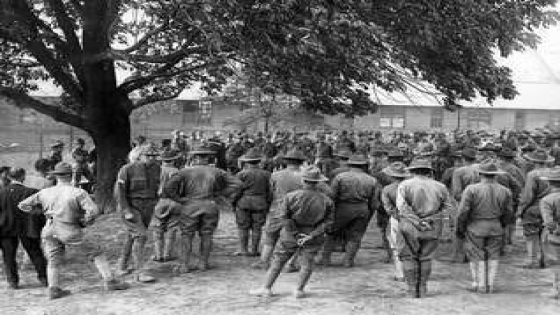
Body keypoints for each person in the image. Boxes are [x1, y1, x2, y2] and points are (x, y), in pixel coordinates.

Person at [18, 162, 128, 299]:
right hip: (69, 228)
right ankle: (110, 281)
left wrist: (38, 212)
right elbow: (93, 211)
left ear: (56, 176)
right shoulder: (78, 192)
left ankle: (53, 289)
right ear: (71, 176)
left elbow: (22, 205)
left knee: (53, 260)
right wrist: (86, 220)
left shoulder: (45, 192)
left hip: (49, 229)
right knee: (96, 252)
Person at [249, 166, 334, 298]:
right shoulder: (326, 200)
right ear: (318, 182)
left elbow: (283, 217)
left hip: (290, 233)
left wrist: (295, 233)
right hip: (313, 235)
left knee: (278, 261)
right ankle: (299, 290)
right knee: (307, 263)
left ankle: (266, 288)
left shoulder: (290, 197)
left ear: (303, 181)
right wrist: (312, 235)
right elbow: (328, 222)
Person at [161, 143, 241, 273]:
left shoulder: (185, 171)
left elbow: (168, 187)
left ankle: (184, 264)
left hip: (190, 205)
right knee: (207, 234)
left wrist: (179, 199)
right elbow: (237, 183)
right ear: (208, 158)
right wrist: (221, 193)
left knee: (186, 234)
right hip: (210, 204)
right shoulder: (217, 171)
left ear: (194, 158)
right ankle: (203, 263)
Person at [397, 158, 455, 298]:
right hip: (432, 227)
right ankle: (423, 288)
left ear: (412, 171)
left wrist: (417, 221)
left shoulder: (404, 185)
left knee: (408, 257)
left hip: (409, 226)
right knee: (426, 258)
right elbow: (448, 208)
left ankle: (411, 289)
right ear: (429, 171)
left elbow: (402, 208)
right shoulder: (440, 186)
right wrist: (430, 219)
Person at [457, 163, 513, 294]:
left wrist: (461, 227)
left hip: (475, 226)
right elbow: (509, 212)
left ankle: (479, 284)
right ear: (496, 175)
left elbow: (463, 211)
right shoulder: (505, 190)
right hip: (496, 226)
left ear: (479, 174)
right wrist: (502, 224)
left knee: (476, 254)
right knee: (494, 255)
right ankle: (490, 284)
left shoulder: (471, 189)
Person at [319, 154, 379, 267]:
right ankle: (348, 260)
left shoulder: (340, 177)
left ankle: (325, 259)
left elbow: (332, 196)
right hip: (362, 208)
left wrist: (330, 212)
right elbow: (374, 202)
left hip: (343, 207)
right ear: (364, 166)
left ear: (349, 164)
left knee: (332, 233)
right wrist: (369, 214)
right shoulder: (372, 180)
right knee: (355, 236)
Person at [115, 143, 161, 282]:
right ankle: (140, 273)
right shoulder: (127, 169)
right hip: (131, 206)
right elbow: (119, 192)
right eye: (148, 156)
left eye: (154, 156)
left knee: (133, 235)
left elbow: (157, 186)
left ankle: (122, 266)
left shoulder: (157, 168)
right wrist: (126, 210)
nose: (152, 158)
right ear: (140, 156)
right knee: (141, 236)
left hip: (148, 206)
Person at [0, 168, 47, 289]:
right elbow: (40, 212)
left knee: (8, 255)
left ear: (9, 177)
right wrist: (39, 225)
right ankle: (44, 278)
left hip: (6, 228)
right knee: (35, 252)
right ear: (23, 176)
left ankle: (13, 281)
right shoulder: (32, 192)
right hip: (28, 227)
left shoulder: (1, 193)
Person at [517, 149, 554, 269]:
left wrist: (521, 210)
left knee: (531, 235)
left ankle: (532, 260)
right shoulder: (553, 172)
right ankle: (545, 260)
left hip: (535, 207)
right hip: (551, 207)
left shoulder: (532, 174)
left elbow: (528, 196)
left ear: (534, 161)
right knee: (547, 234)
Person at [233, 148, 272, 257]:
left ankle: (243, 250)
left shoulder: (241, 174)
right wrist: (268, 203)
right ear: (259, 161)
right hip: (260, 203)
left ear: (246, 161)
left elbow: (236, 191)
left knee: (242, 227)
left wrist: (234, 202)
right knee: (257, 227)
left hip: (243, 203)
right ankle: (254, 250)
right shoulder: (267, 174)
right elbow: (270, 191)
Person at [381, 162, 411, 282]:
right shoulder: (412, 187)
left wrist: (397, 216)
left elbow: (388, 208)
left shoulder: (387, 189)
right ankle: (412, 272)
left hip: (397, 219)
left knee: (396, 248)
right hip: (413, 219)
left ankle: (400, 274)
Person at [152, 150, 182, 262]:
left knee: (157, 229)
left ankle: (158, 255)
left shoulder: (155, 171)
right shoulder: (178, 172)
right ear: (173, 160)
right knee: (172, 228)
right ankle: (167, 254)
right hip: (175, 201)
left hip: (159, 201)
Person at [539, 168, 560, 299]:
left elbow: (549, 223)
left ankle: (557, 291)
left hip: (556, 237)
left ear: (550, 183)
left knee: (557, 264)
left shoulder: (547, 200)